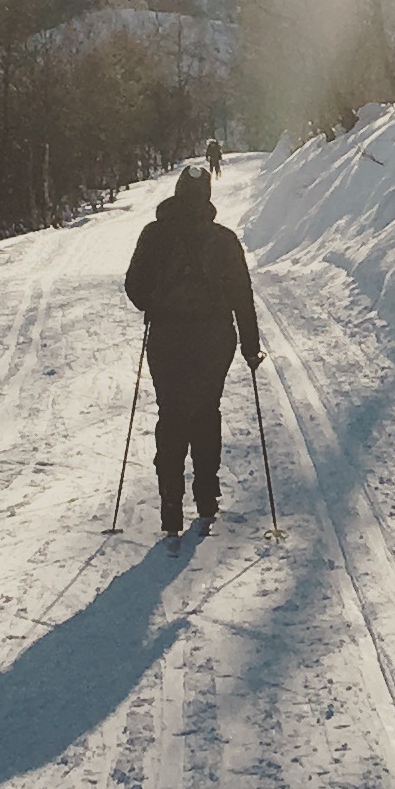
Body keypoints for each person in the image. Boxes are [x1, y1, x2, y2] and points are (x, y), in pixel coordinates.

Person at [123, 163, 261, 537]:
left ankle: (170, 499)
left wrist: (155, 300)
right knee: (205, 410)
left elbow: (134, 288)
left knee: (171, 412)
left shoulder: (153, 235)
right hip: (214, 339)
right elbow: (242, 297)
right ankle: (206, 495)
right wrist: (251, 347)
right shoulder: (224, 240)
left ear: (177, 192)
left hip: (167, 337)